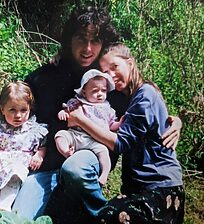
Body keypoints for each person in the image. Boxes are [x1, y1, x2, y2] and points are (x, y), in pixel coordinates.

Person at [11, 6, 182, 223]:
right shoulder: (47, 75)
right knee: (18, 216)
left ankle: (104, 215)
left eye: (95, 41)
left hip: (87, 161)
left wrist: (175, 121)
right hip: (46, 169)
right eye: (81, 39)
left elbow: (148, 106)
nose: (87, 48)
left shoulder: (109, 85)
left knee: (76, 167)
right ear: (69, 39)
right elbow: (16, 101)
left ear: (103, 44)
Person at [67, 43, 185, 223]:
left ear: (130, 63)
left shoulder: (145, 94)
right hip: (139, 188)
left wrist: (80, 120)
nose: (111, 75)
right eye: (106, 72)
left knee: (110, 218)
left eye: (115, 67)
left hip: (160, 187)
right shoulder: (130, 95)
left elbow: (121, 143)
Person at [0, 81, 48, 221]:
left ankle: (4, 206)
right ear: (2, 109)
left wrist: (39, 154)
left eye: (23, 110)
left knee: (16, 172)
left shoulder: (34, 129)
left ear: (30, 109)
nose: (18, 115)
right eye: (12, 110)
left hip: (16, 165)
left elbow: (42, 145)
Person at [55, 69, 123, 186]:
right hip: (76, 135)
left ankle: (104, 174)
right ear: (84, 92)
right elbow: (67, 110)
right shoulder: (78, 102)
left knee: (103, 152)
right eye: (95, 91)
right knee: (60, 135)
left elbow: (111, 125)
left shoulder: (108, 109)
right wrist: (63, 113)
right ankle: (67, 152)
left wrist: (120, 123)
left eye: (103, 90)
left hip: (95, 140)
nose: (100, 94)